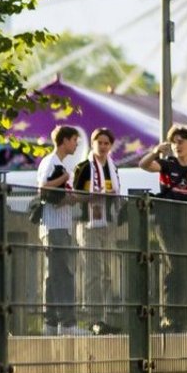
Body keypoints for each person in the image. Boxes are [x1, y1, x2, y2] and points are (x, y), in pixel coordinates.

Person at [138, 126, 187, 332]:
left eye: (181, 141)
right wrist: (155, 151)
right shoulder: (167, 164)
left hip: (186, 224)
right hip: (166, 221)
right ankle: (169, 315)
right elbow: (143, 165)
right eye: (174, 142)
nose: (177, 145)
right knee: (174, 264)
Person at [71, 127, 126, 336]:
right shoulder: (84, 167)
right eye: (99, 142)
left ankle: (104, 317)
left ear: (110, 146)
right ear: (92, 144)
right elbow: (76, 194)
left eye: (106, 143)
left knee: (106, 273)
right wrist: (95, 194)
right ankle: (94, 319)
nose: (102, 147)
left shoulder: (113, 167)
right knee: (92, 272)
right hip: (88, 224)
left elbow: (117, 193)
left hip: (107, 223)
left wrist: (109, 194)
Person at [36, 125, 84, 336]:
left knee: (54, 275)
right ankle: (67, 324)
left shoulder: (59, 163)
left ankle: (51, 323)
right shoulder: (52, 162)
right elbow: (44, 188)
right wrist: (65, 179)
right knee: (62, 274)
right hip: (54, 225)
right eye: (74, 140)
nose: (76, 144)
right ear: (64, 140)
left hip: (61, 225)